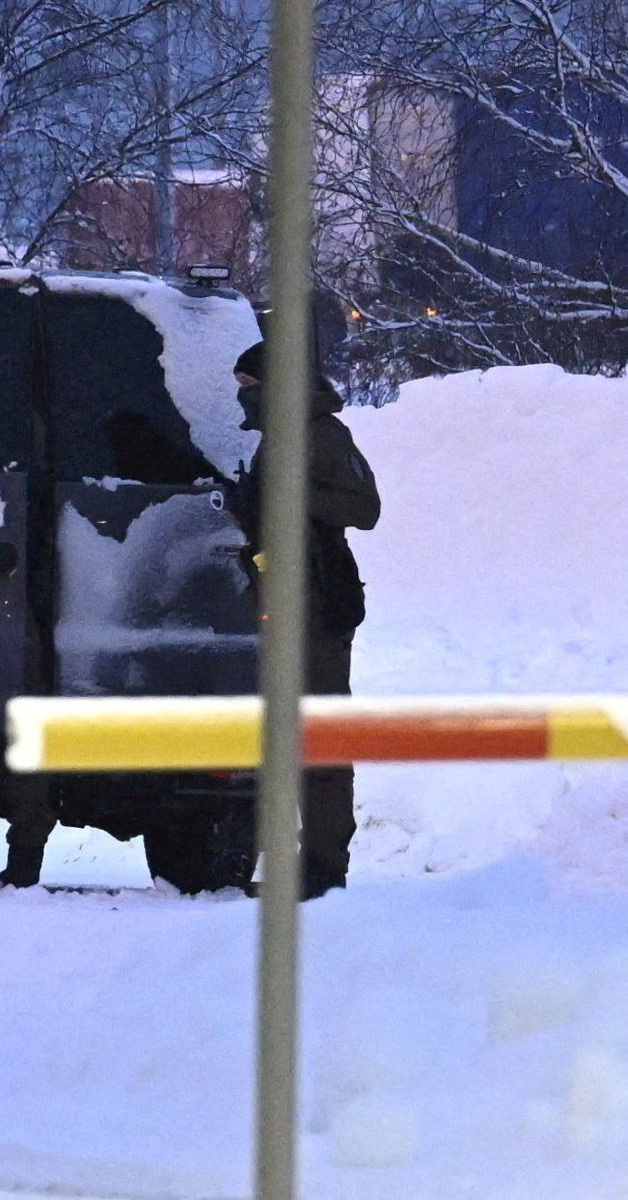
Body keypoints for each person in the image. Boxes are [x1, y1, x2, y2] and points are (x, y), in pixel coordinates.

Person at [229, 338, 381, 893]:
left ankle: (320, 866)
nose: (242, 399)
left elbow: (365, 508)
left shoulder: (321, 435)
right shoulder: (281, 437)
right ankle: (305, 860)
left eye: (250, 388)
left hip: (317, 606)